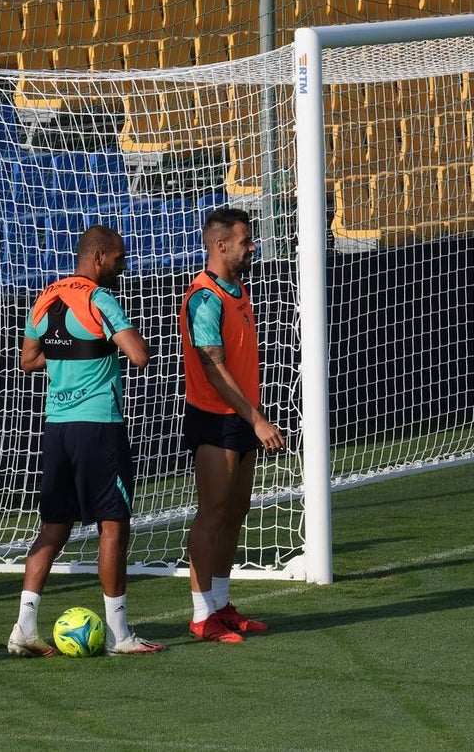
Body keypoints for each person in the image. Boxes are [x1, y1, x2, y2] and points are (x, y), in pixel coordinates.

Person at [7, 225, 165, 658]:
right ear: (97, 257)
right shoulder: (99, 299)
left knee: (54, 526)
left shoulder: (45, 297)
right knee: (113, 525)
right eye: (118, 258)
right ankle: (119, 634)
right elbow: (139, 355)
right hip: (98, 426)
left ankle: (24, 628)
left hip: (57, 427)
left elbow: (27, 360)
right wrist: (113, 343)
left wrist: (71, 351)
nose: (122, 265)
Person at [179, 207, 286, 644]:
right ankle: (201, 614)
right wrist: (257, 420)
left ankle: (221, 605)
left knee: (237, 508)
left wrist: (251, 416)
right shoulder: (204, 298)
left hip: (240, 417)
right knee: (213, 513)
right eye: (245, 241)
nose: (253, 246)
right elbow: (213, 369)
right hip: (215, 419)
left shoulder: (236, 288)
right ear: (220, 245)